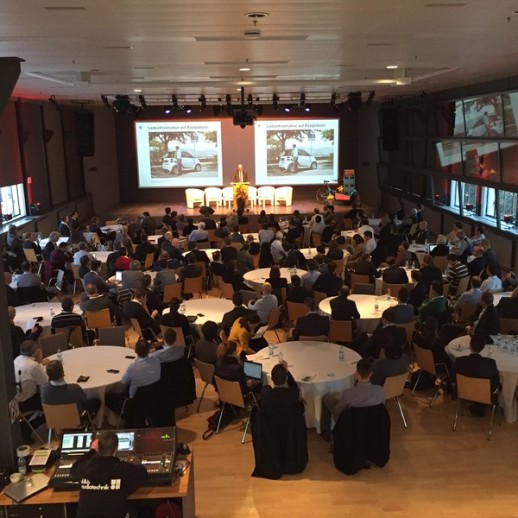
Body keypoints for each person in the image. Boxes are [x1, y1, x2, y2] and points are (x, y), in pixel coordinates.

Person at [70, 430, 148, 518]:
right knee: (136, 511)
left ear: (98, 449)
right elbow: (143, 473)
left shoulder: (83, 468)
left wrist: (91, 450)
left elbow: (73, 469)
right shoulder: (123, 469)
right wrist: (136, 462)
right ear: (116, 449)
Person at [251, 361, 308, 480]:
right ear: (286, 379)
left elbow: (265, 388)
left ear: (272, 379)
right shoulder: (292, 395)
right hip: (290, 432)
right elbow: (294, 388)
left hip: (272, 431)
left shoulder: (266, 394)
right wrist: (287, 371)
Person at [320, 359, 385, 441]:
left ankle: (325, 431)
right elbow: (381, 409)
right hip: (370, 424)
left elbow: (337, 410)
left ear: (357, 374)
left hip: (351, 424)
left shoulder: (348, 393)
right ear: (371, 374)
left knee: (326, 398)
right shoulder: (380, 390)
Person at [451, 335, 501, 417]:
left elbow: (453, 379)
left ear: (470, 345)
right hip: (485, 394)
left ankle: (478, 406)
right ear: (483, 347)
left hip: (463, 392)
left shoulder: (460, 361)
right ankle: (480, 405)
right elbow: (496, 382)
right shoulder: (490, 363)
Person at [14, 340, 48, 442]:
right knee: (53, 403)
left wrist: (39, 363)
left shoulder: (17, 359)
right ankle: (27, 427)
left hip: (15, 400)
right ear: (36, 352)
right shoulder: (33, 366)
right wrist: (39, 361)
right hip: (26, 402)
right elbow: (45, 381)